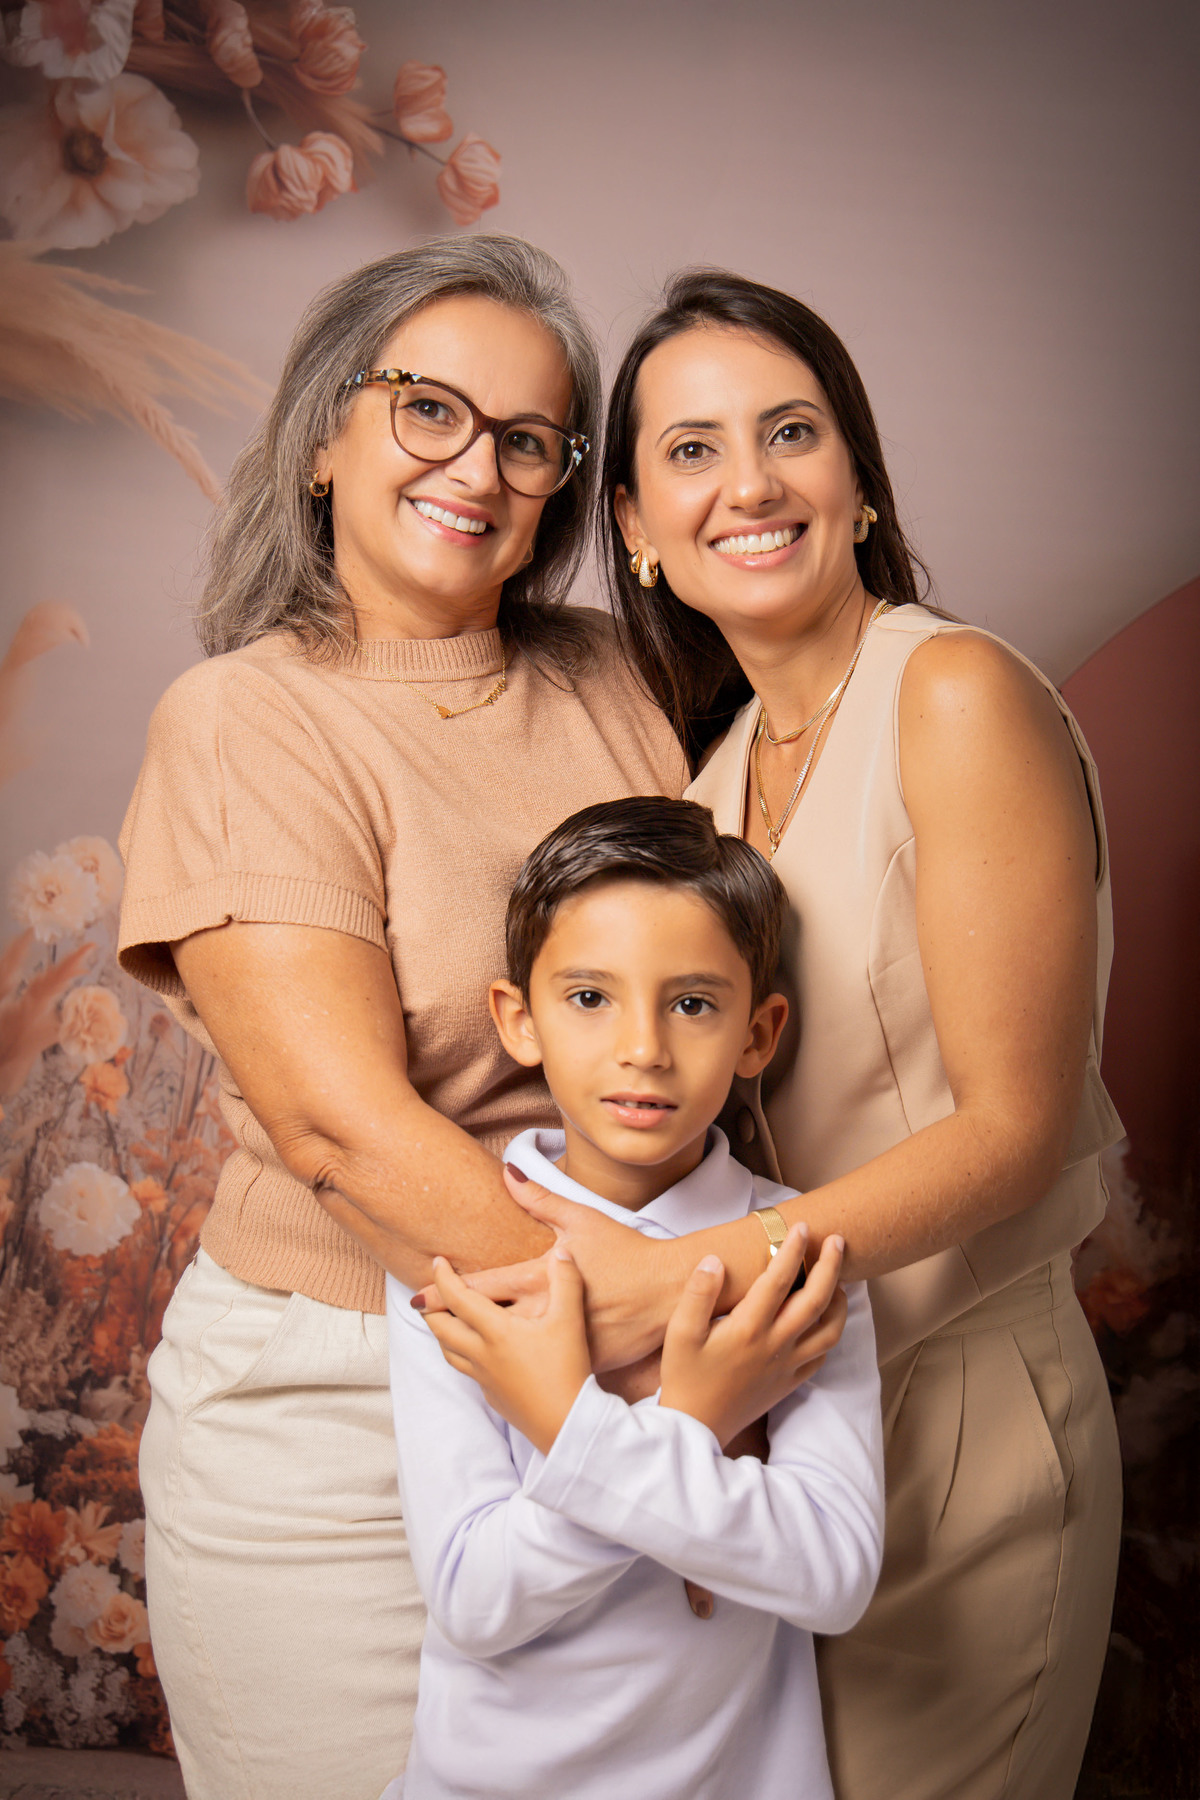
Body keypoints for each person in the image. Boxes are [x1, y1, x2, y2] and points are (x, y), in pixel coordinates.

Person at [116, 236, 718, 1800]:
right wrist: (668, 1320)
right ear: (325, 431)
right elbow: (344, 1131)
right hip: (345, 1414)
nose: (477, 469)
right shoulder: (248, 717)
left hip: (628, 1371)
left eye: (529, 440)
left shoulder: (618, 673)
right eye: (428, 409)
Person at [593, 270, 1125, 1800]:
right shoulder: (707, 789)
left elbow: (1012, 1130)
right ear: (635, 523)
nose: (750, 484)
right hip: (787, 1444)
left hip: (967, 1425)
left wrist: (673, 1286)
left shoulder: (951, 691)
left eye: (791, 432)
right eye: (692, 451)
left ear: (859, 481)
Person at [383, 797, 883, 1800]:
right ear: (518, 1020)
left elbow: (832, 1576)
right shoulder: (462, 1259)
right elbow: (475, 1600)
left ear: (759, 1032)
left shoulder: (796, 1257)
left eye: (693, 1004)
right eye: (589, 998)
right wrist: (692, 1421)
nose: (644, 1047)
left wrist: (583, 1439)